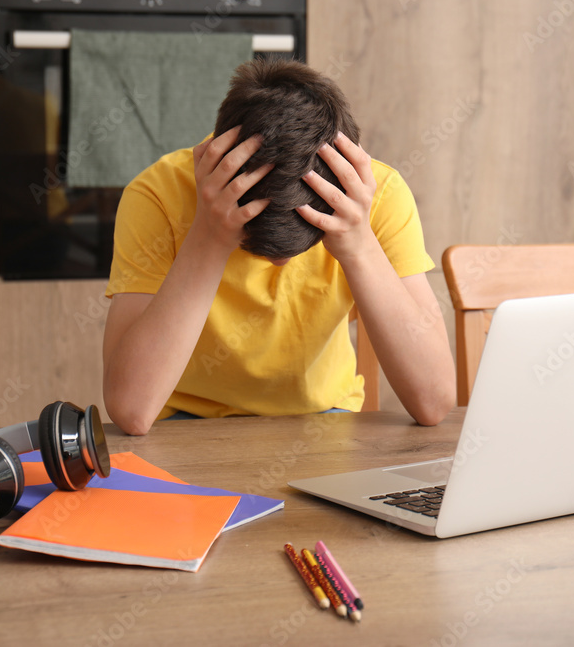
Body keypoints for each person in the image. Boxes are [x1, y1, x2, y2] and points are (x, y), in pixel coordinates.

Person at [102, 58, 455, 435]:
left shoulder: (373, 196)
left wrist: (359, 247)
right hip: (182, 425)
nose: (280, 261)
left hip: (325, 419)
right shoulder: (156, 194)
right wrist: (210, 239)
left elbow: (433, 403)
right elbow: (131, 410)